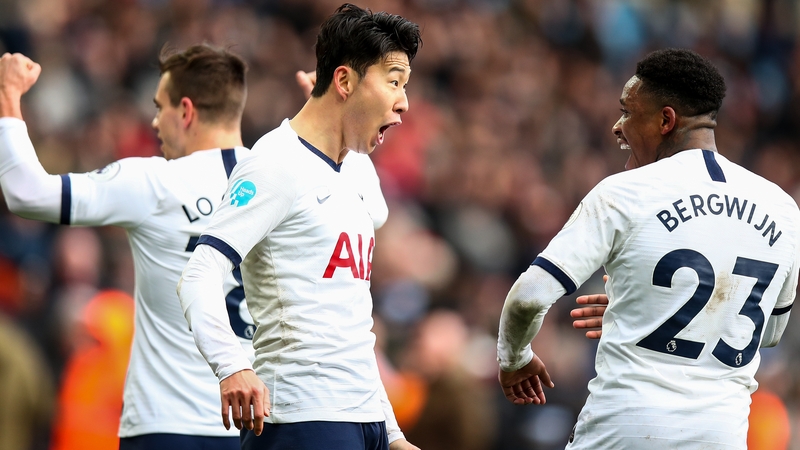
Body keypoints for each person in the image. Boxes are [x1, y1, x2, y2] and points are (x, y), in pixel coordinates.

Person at [0, 45, 388, 449]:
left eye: (159, 107)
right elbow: (374, 211)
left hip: (167, 426)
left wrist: (7, 96)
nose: (155, 122)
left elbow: (27, 194)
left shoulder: (156, 183)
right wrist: (338, 127)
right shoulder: (281, 175)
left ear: (185, 112)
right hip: (250, 422)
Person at [496, 48, 799, 449]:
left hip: (624, 430)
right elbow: (767, 332)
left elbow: (528, 298)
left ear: (666, 120)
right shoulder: (782, 208)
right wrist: (650, 308)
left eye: (627, 112)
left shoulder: (624, 193)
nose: (617, 127)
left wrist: (513, 359)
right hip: (720, 436)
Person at [176, 4, 421, 450]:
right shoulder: (275, 165)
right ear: (344, 81)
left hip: (364, 419)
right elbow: (199, 274)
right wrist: (232, 365)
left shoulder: (351, 171)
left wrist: (391, 433)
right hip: (303, 420)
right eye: (393, 82)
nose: (404, 102)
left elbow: (349, 324)